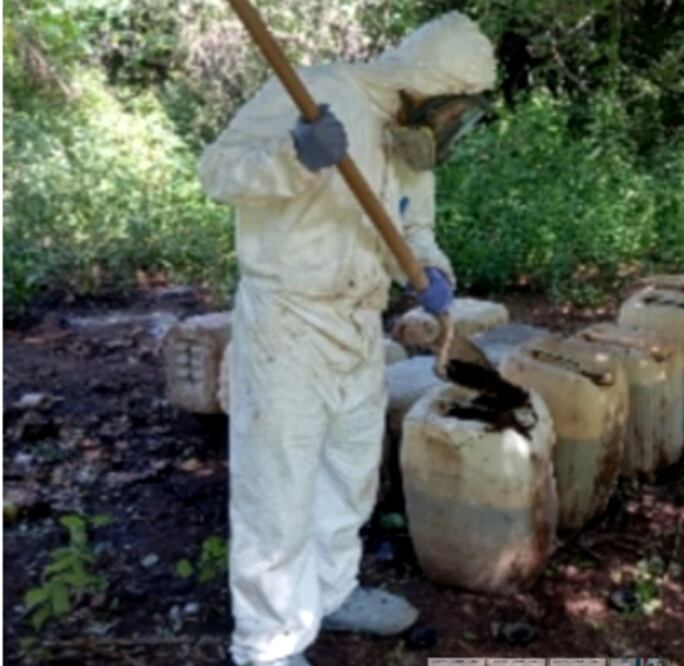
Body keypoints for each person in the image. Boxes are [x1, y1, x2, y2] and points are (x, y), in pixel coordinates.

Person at [197, 12, 496, 666]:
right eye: (453, 108)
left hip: (358, 321)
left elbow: (412, 230)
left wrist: (432, 273)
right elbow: (216, 172)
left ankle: (330, 592)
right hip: (288, 319)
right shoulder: (313, 91)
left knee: (350, 470)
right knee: (278, 485)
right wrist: (293, 159)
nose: (453, 123)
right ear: (426, 86)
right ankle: (269, 643)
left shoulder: (409, 137)